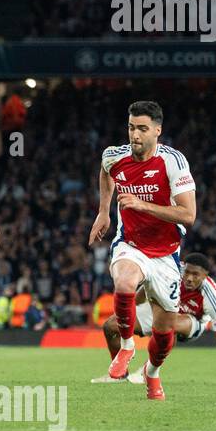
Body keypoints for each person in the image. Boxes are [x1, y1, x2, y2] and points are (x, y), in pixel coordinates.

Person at [88, 100, 196, 401]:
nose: (135, 135)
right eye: (131, 127)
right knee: (123, 284)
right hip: (131, 244)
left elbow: (188, 215)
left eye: (143, 129)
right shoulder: (114, 156)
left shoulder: (173, 162)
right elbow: (105, 170)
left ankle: (152, 373)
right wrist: (104, 212)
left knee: (164, 337)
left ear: (157, 131)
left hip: (166, 255)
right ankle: (126, 346)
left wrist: (142, 204)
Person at [98, 253, 216, 384]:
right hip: (163, 310)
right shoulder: (173, 270)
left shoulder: (210, 294)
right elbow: (147, 287)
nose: (189, 278)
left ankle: (146, 372)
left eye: (195, 275)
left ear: (205, 275)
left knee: (171, 324)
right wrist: (130, 311)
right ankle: (120, 376)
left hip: (192, 322)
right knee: (111, 326)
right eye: (187, 272)